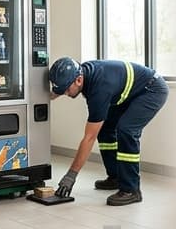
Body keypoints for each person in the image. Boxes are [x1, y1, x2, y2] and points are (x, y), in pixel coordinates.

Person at [48, 57, 169, 205]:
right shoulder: (83, 73)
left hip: (152, 89)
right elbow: (56, 92)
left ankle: (131, 190)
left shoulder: (99, 89)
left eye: (66, 89)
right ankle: (115, 177)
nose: (65, 93)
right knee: (105, 129)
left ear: (78, 80)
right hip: (132, 92)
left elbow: (89, 138)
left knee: (127, 130)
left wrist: (71, 176)